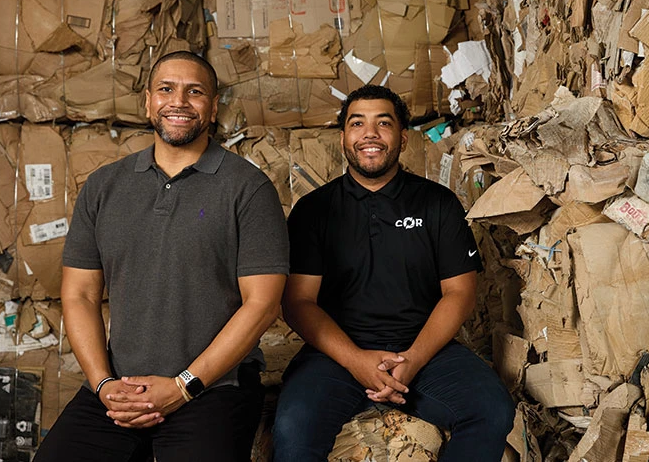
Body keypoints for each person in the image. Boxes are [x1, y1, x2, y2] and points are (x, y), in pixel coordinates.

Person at [35, 51, 289, 462]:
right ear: (148, 101)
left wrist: (183, 385)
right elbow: (79, 294)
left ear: (213, 106)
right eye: (166, 89)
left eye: (195, 92)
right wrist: (103, 385)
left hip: (213, 387)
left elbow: (262, 305)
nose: (179, 102)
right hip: (118, 388)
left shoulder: (248, 188)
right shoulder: (103, 186)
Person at [271, 85, 514, 461]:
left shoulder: (437, 204)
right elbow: (298, 302)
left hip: (426, 352)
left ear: (402, 138)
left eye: (383, 123)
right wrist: (356, 361)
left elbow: (459, 293)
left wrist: (413, 360)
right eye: (357, 124)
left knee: (492, 410)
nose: (370, 133)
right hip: (335, 356)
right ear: (343, 139)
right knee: (292, 428)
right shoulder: (314, 210)